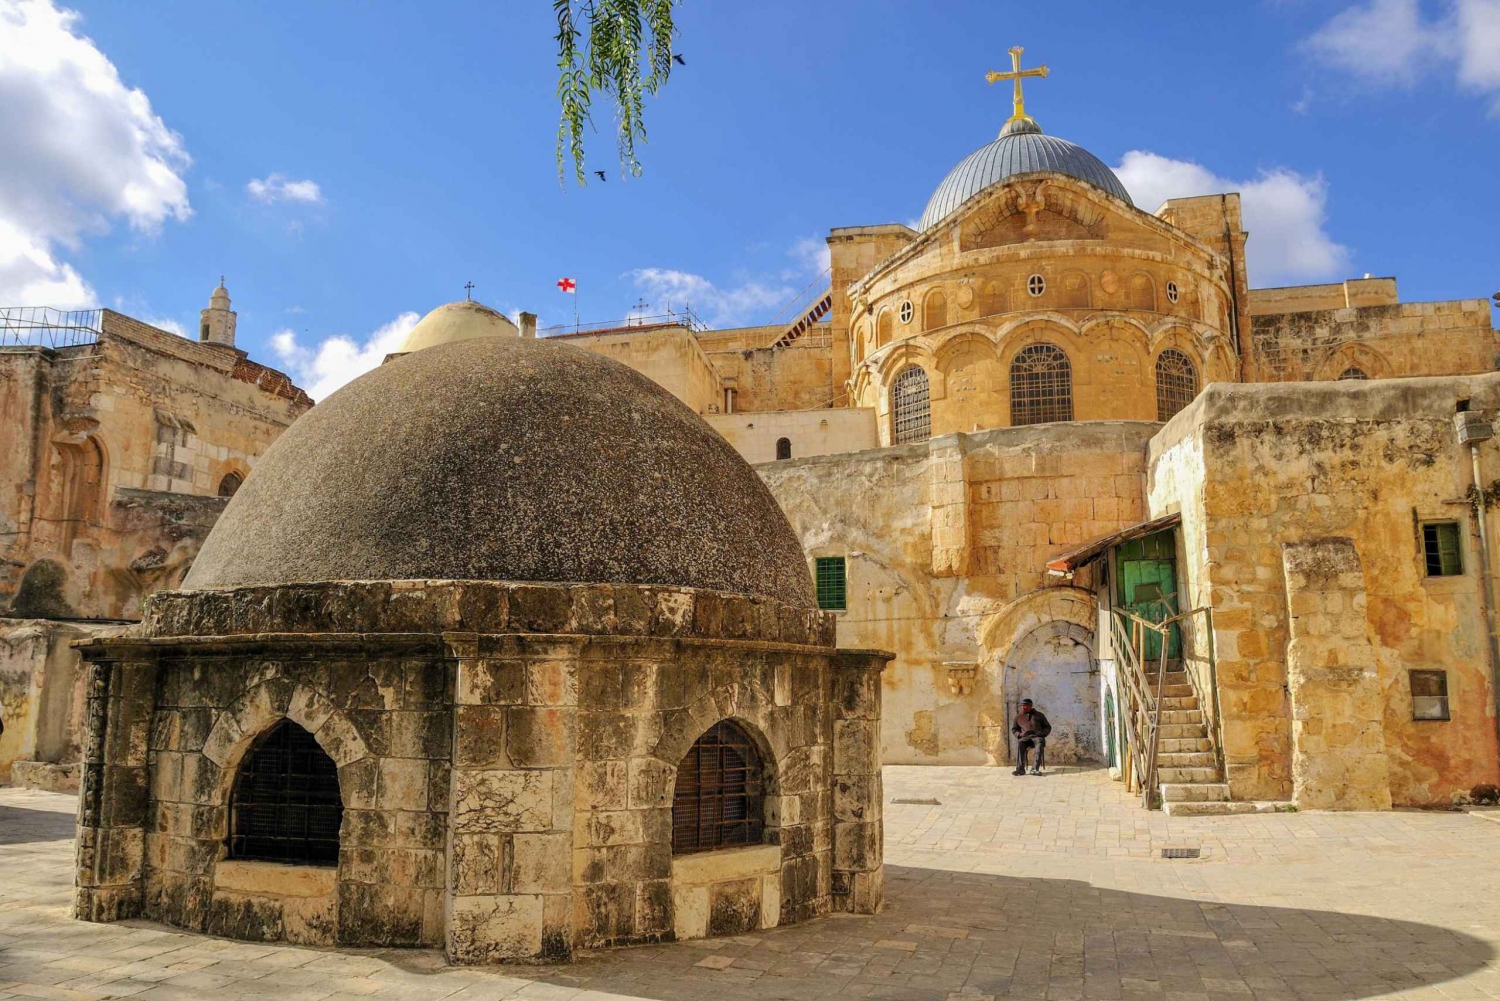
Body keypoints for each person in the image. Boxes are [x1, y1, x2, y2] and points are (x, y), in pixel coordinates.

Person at [1011, 698, 1051, 776]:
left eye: (1025, 706)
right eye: (1022, 706)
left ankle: (1034, 769)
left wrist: (1043, 734)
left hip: (1038, 737)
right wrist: (1019, 735)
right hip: (1025, 737)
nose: (1023, 707)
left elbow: (1048, 727)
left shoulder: (1039, 715)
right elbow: (1014, 729)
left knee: (1039, 745)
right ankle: (1020, 769)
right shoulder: (1018, 717)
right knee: (1020, 743)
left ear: (1030, 706)